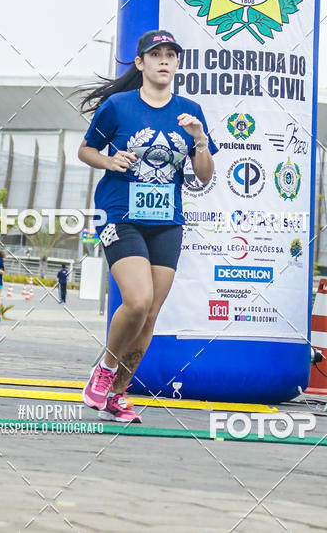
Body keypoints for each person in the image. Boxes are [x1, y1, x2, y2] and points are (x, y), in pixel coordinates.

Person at [77, 29, 218, 423]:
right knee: (137, 301)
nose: (164, 60)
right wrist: (109, 161)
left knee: (151, 314)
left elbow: (205, 175)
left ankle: (117, 396)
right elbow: (86, 149)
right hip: (120, 213)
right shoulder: (118, 107)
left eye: (171, 55)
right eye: (156, 54)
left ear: (177, 64)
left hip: (167, 221)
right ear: (140, 63)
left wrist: (200, 140)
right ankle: (105, 370)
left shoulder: (189, 111)